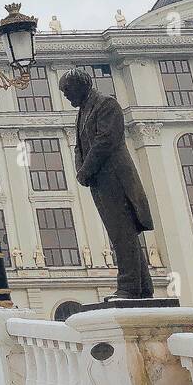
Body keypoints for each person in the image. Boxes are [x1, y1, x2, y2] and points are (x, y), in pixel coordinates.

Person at [61, 67, 155, 299]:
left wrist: (86, 170)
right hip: (99, 179)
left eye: (67, 91)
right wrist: (81, 171)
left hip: (115, 177)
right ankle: (142, 287)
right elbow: (80, 146)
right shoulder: (83, 110)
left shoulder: (106, 104)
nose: (66, 96)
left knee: (123, 231)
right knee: (121, 232)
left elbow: (105, 141)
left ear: (81, 86)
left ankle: (129, 287)